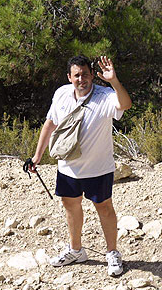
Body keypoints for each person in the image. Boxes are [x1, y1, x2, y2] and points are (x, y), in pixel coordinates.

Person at [29, 55, 132, 276]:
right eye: (76, 75)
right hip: (68, 168)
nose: (81, 79)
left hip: (98, 168)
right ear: (69, 77)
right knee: (70, 206)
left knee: (104, 208)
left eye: (85, 74)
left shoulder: (104, 96)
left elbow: (125, 104)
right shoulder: (61, 94)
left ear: (92, 75)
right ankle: (76, 250)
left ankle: (112, 253)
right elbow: (50, 123)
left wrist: (113, 80)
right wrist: (37, 155)